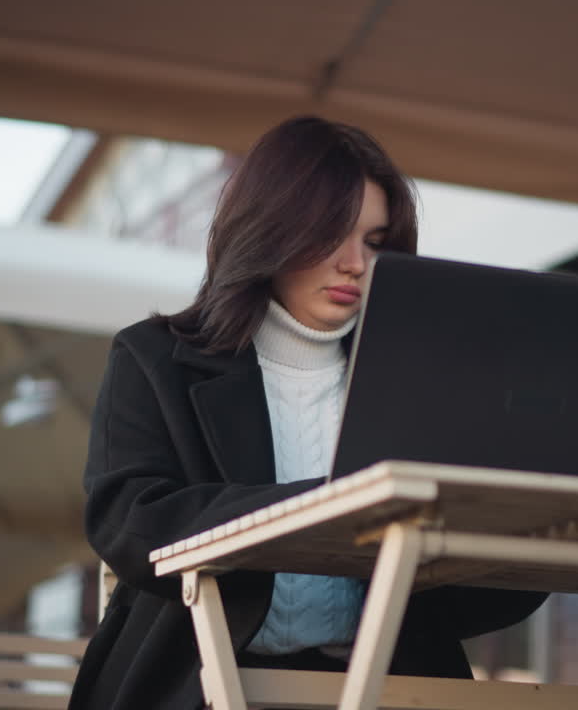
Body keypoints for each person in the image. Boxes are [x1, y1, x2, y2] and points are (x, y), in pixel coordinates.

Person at [69, 116, 546, 710]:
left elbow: (467, 603)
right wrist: (325, 508)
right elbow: (128, 521)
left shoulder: (420, 379)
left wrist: (530, 524)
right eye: (331, 234)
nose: (355, 262)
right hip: (196, 684)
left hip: (382, 690)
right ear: (270, 231)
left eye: (375, 242)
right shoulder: (155, 359)